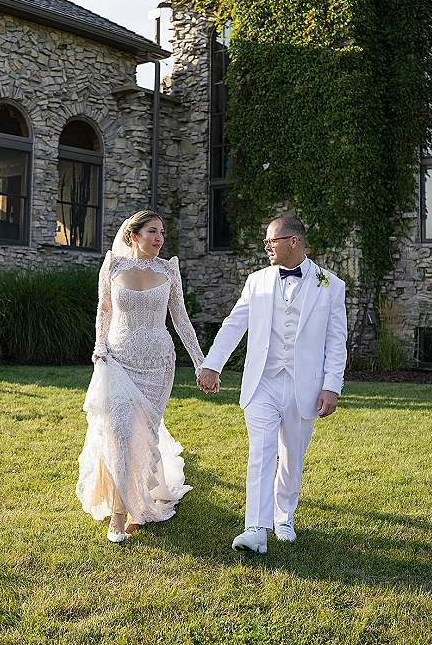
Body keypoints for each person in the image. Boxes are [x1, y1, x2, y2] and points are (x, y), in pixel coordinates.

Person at [197, 215, 347, 553]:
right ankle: (255, 529)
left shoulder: (330, 285)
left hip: (303, 385)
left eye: (271, 241)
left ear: (293, 241)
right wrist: (212, 364)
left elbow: (337, 342)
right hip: (261, 382)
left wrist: (331, 386)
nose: (266, 247)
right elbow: (235, 323)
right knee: (261, 451)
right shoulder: (257, 281)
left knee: (292, 458)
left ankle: (284, 516)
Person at [76, 210, 204, 542]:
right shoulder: (113, 266)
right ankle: (119, 514)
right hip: (118, 361)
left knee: (142, 435)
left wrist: (202, 363)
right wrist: (99, 346)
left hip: (158, 365)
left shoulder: (168, 269)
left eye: (162, 232)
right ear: (133, 236)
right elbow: (103, 312)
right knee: (118, 431)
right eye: (152, 232)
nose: (159, 238)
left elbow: (181, 320)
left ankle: (140, 500)